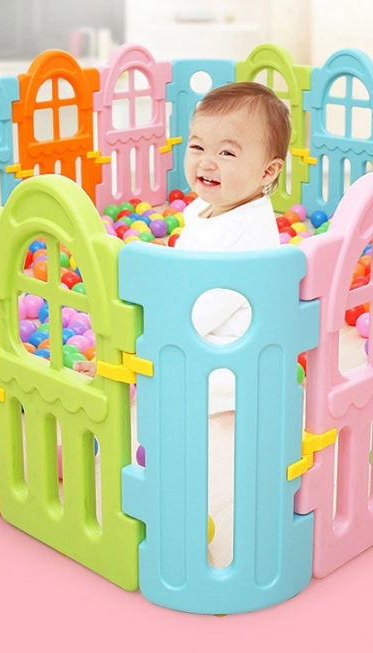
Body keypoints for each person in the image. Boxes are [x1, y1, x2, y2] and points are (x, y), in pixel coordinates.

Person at [75, 81, 292, 414]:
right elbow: (187, 268)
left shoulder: (244, 236)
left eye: (227, 153)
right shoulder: (208, 205)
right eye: (197, 147)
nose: (206, 162)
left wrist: (139, 343)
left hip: (234, 349)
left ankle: (134, 378)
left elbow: (203, 312)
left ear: (268, 171)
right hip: (195, 319)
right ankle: (133, 370)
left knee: (187, 373)